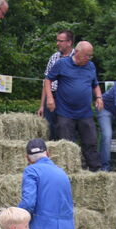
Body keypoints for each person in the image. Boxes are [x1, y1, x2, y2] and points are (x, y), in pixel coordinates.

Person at [44, 41, 103, 171]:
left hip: (85, 113)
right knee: (67, 144)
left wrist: (99, 97)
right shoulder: (62, 64)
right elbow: (48, 79)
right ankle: (68, 170)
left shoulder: (91, 66)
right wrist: (50, 98)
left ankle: (96, 171)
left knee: (91, 142)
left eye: (90, 55)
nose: (88, 58)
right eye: (86, 55)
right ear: (76, 52)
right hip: (65, 112)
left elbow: (95, 84)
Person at [36, 30, 75, 140]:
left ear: (69, 42)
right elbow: (46, 81)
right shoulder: (54, 57)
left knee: (65, 129)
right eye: (57, 40)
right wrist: (42, 105)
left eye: (60, 41)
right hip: (51, 96)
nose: (57, 43)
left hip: (67, 98)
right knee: (50, 129)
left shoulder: (76, 58)